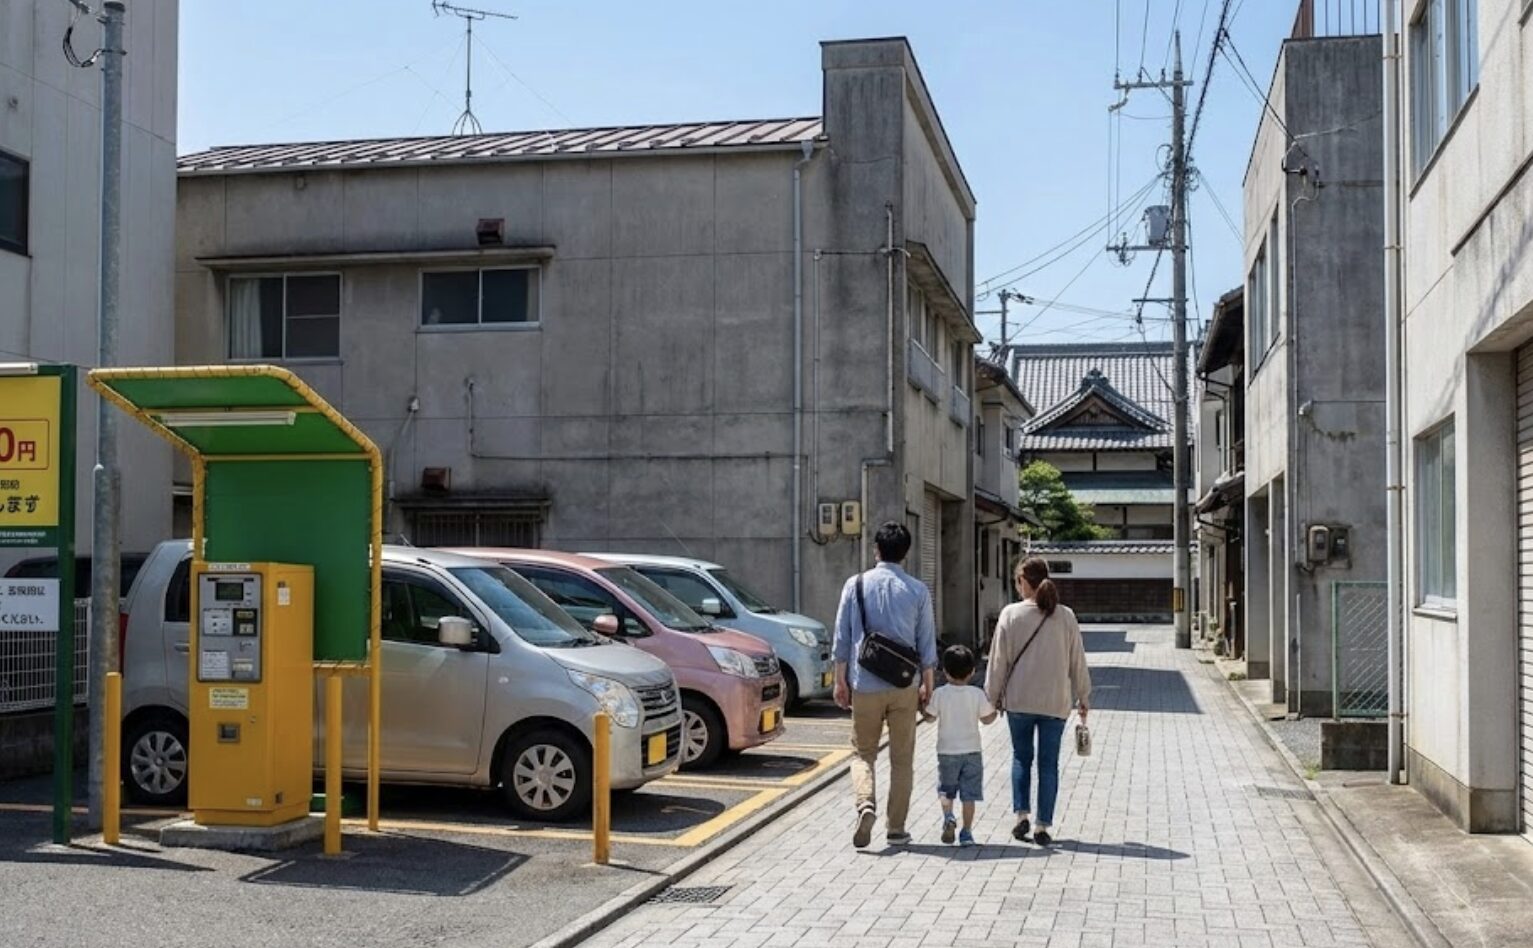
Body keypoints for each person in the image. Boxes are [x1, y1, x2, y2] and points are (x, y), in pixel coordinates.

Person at [832, 522, 938, 848]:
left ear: (876, 549)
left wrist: (839, 680)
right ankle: (896, 828)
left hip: (865, 683)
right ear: (906, 553)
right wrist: (928, 685)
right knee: (902, 759)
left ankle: (865, 805)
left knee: (863, 753)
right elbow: (926, 643)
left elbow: (842, 637)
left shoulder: (856, 584)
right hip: (905, 685)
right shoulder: (918, 590)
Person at [984, 556, 1091, 847]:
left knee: (1021, 758)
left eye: (1017, 581)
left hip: (1019, 701)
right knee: (1049, 764)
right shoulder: (1066, 616)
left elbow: (998, 663)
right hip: (1055, 702)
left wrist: (990, 700)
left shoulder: (1010, 614)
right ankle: (1043, 824)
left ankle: (1021, 816)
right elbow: (1076, 660)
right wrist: (1083, 695)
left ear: (1023, 581)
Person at [925, 644, 997, 847]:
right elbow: (987, 719)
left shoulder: (940, 694)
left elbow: (930, 718)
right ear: (972, 671)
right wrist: (996, 710)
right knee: (969, 795)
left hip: (946, 751)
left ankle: (948, 817)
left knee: (946, 790)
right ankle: (966, 832)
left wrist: (922, 706)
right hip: (972, 751)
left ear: (945, 671)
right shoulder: (976, 694)